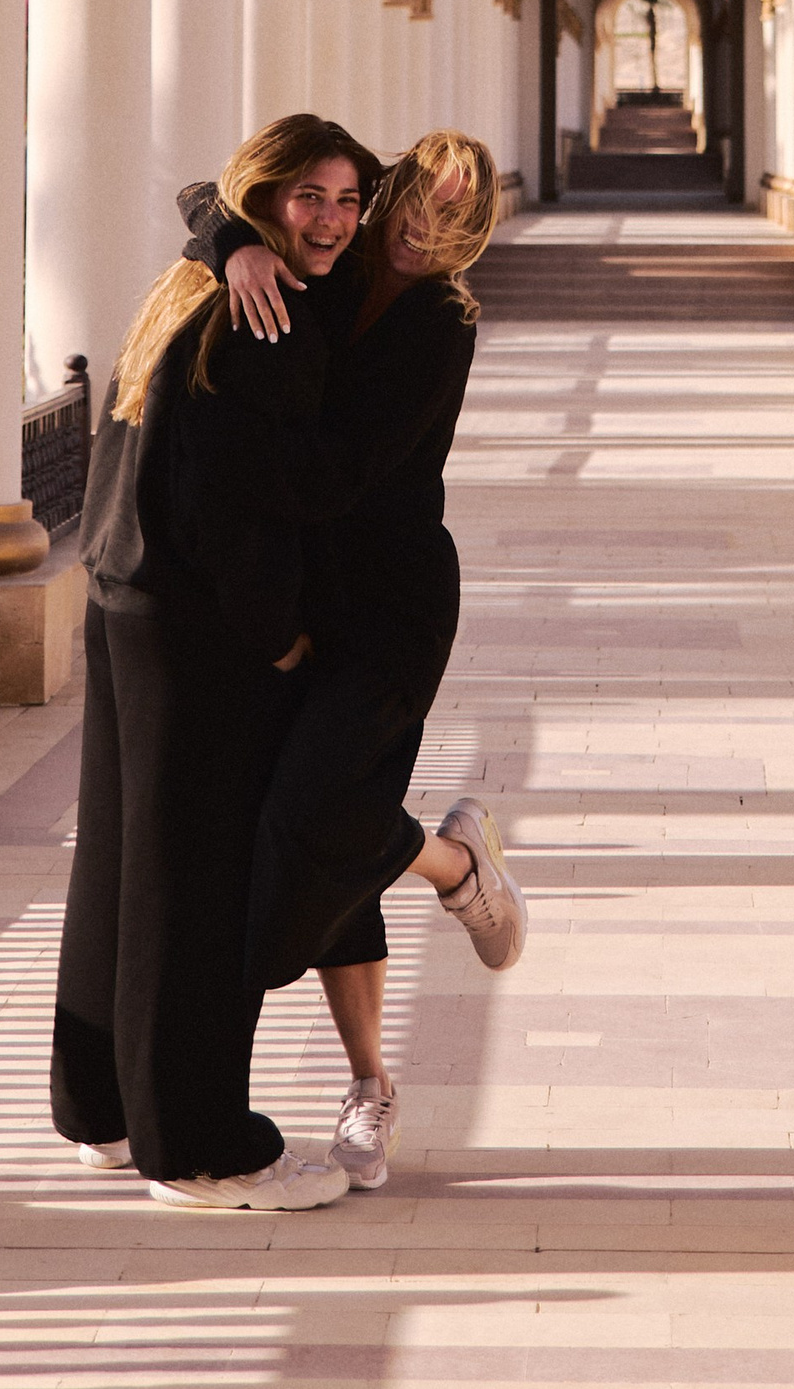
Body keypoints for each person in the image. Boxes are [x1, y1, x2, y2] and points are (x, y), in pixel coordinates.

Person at [49, 113, 379, 1210]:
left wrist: (222, 230)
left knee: (123, 859)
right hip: (196, 623)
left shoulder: (200, 280)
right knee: (195, 884)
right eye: (309, 197)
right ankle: (198, 1146)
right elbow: (231, 503)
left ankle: (101, 1103)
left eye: (347, 198)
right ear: (268, 197)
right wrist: (276, 630)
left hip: (122, 596)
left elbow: (201, 189)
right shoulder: (262, 311)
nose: (330, 218)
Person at [205, 127, 525, 1192]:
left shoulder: (441, 326)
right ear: (384, 198)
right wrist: (233, 248)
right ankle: (370, 1083)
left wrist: (224, 462)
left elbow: (337, 473)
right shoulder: (322, 260)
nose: (426, 231)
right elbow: (211, 191)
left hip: (390, 610)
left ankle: (457, 867)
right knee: (323, 822)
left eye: (455, 217)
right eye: (415, 206)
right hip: (303, 603)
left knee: (319, 817)